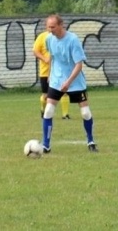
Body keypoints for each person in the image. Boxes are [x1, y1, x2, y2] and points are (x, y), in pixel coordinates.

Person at [41, 14, 97, 153]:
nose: (50, 30)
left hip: (75, 81)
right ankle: (46, 145)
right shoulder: (49, 39)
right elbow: (53, 58)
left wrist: (68, 82)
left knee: (85, 113)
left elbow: (79, 65)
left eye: (53, 27)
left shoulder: (73, 40)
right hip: (56, 80)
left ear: (61, 25)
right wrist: (50, 75)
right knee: (48, 111)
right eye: (48, 27)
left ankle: (90, 141)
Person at [32, 29, 71, 119]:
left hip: (59, 71)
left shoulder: (63, 37)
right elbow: (35, 51)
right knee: (46, 95)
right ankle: (43, 110)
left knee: (64, 92)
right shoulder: (42, 36)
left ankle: (65, 114)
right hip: (45, 72)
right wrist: (44, 59)